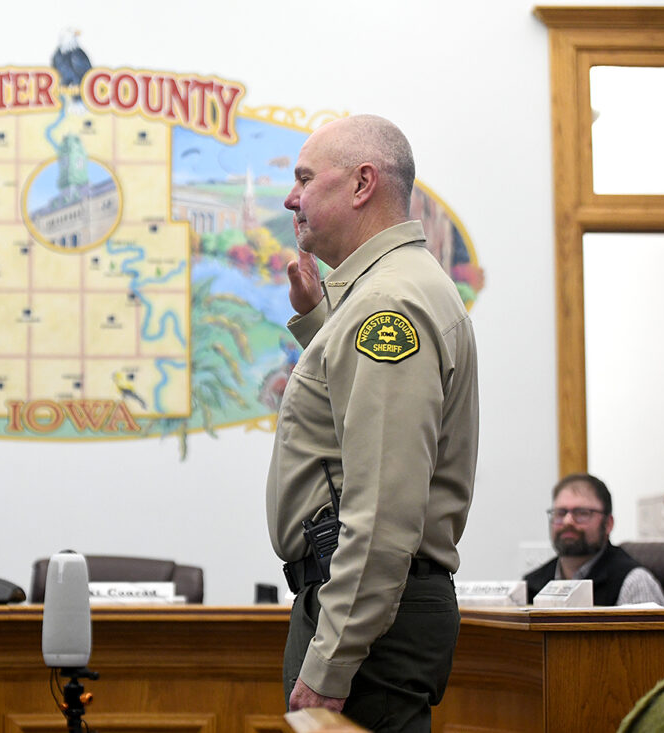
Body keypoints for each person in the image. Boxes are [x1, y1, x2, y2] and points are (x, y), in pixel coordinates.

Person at [265, 114, 479, 732]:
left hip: (366, 627)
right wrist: (319, 322)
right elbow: (349, 419)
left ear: (362, 184)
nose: (291, 198)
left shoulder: (386, 304)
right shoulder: (385, 292)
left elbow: (383, 507)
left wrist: (331, 662)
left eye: (306, 179)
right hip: (368, 613)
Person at [523, 473, 664, 606]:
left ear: (608, 524)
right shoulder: (532, 584)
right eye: (560, 513)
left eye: (582, 513)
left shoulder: (633, 583)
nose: (568, 521)